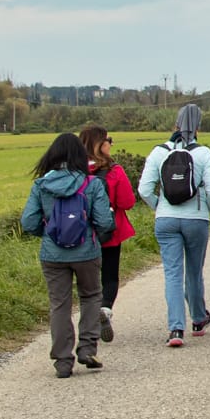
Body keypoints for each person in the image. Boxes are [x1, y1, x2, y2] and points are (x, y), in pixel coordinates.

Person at [20, 132, 116, 378]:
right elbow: (105, 221)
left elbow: (28, 222)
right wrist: (91, 232)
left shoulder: (41, 185)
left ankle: (63, 361)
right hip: (87, 252)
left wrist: (48, 233)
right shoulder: (92, 184)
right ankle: (87, 349)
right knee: (91, 296)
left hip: (53, 255)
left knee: (59, 305)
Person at [137, 103, 210, 347]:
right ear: (198, 128)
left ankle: (176, 329)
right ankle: (198, 319)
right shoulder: (203, 153)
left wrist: (159, 207)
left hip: (166, 219)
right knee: (194, 271)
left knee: (172, 273)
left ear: (174, 125)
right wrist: (206, 209)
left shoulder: (159, 152)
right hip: (196, 218)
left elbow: (144, 189)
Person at [78, 124, 137, 343]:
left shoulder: (75, 171)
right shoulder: (114, 170)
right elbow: (127, 202)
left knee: (87, 280)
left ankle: (87, 321)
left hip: (81, 234)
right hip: (110, 232)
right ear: (100, 144)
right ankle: (105, 308)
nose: (111, 144)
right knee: (110, 277)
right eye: (108, 140)